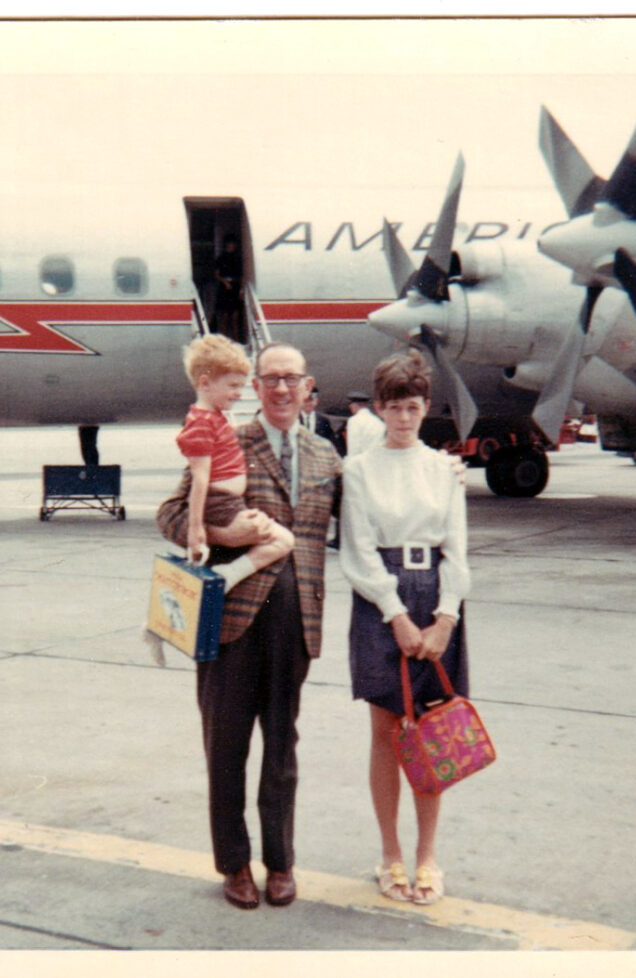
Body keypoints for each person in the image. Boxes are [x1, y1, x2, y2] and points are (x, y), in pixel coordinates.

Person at [157, 342, 343, 910]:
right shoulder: (226, 437)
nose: (282, 389)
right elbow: (170, 513)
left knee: (282, 749)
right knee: (227, 747)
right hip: (230, 623)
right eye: (271, 380)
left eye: (293, 379)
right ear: (255, 387)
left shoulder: (325, 456)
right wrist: (225, 537)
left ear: (308, 386)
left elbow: (364, 523)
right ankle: (234, 863)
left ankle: (280, 862)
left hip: (297, 625)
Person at [339, 350, 470, 905]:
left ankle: (427, 857)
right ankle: (391, 853)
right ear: (379, 409)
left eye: (413, 407)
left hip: (434, 589)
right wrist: (395, 615)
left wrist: (445, 618)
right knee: (387, 731)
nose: (404, 418)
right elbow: (359, 548)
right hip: (380, 598)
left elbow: (459, 550)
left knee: (434, 730)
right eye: (393, 408)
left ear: (424, 408)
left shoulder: (443, 468)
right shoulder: (360, 470)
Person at [176, 333, 293, 592]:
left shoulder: (213, 418)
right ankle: (229, 575)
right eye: (233, 386)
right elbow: (200, 480)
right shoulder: (201, 424)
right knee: (283, 540)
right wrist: (196, 530)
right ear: (205, 383)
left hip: (230, 504)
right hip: (221, 506)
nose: (239, 394)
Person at [213, 234, 244, 343]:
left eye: (233, 244)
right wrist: (224, 282)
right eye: (230, 244)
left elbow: (242, 276)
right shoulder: (221, 258)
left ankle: (235, 341)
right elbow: (216, 274)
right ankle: (222, 341)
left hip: (235, 287)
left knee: (235, 316)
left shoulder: (238, 259)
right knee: (224, 316)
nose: (231, 246)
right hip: (224, 287)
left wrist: (241, 289)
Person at [343, 390, 385, 458]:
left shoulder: (354, 421)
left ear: (354, 406)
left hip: (364, 463)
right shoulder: (378, 422)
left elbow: (354, 448)